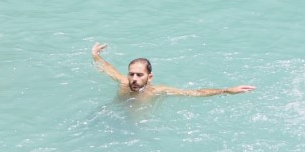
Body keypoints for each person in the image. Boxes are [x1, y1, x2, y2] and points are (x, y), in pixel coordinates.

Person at [90, 43, 253, 98]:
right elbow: (108, 68)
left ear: (150, 77)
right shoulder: (124, 82)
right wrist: (96, 55)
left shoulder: (157, 91)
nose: (134, 78)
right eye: (131, 74)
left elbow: (193, 92)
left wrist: (225, 90)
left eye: (139, 75)